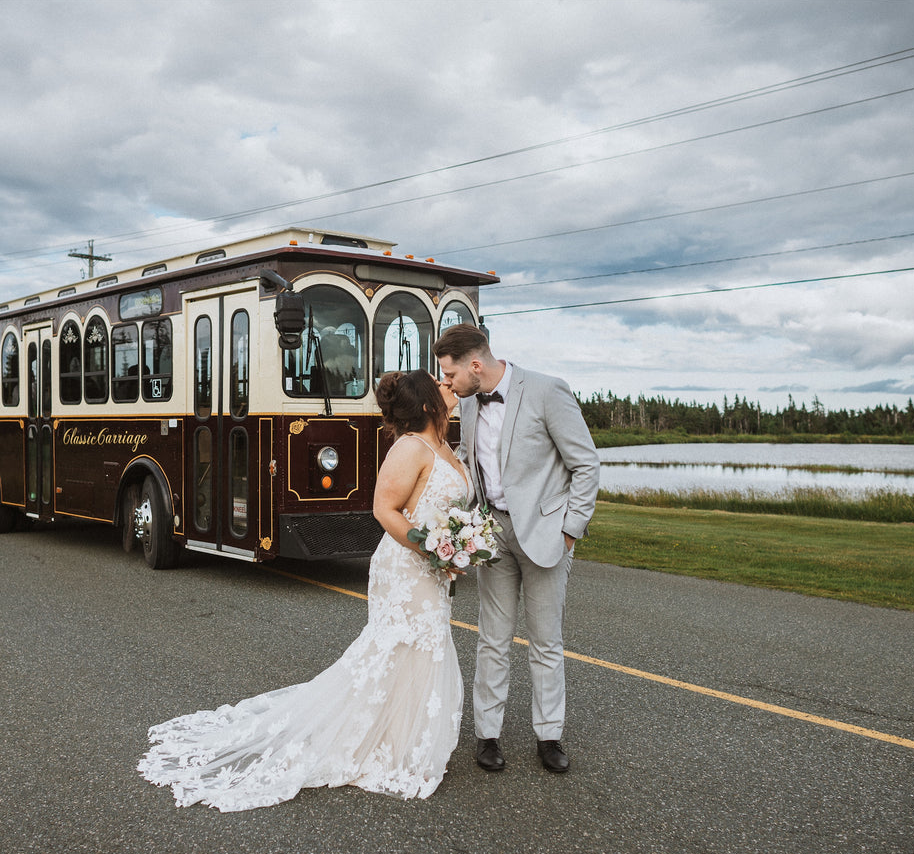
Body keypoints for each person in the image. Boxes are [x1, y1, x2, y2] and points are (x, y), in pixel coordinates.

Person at [139, 369, 471, 811]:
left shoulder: (446, 447)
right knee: (399, 647)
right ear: (429, 404)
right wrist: (427, 547)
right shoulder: (410, 448)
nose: (450, 387)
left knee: (420, 649)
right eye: (442, 385)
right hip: (407, 568)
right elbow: (383, 508)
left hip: (432, 569)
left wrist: (458, 549)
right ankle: (380, 743)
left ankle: (403, 738)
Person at [434, 324, 600, 775]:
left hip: (547, 537)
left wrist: (571, 530)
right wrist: (458, 528)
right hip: (494, 537)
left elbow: (585, 464)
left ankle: (549, 736)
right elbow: (471, 465)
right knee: (492, 639)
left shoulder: (547, 391)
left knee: (546, 643)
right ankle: (487, 735)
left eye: (449, 374)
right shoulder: (467, 403)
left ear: (475, 365)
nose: (446, 383)